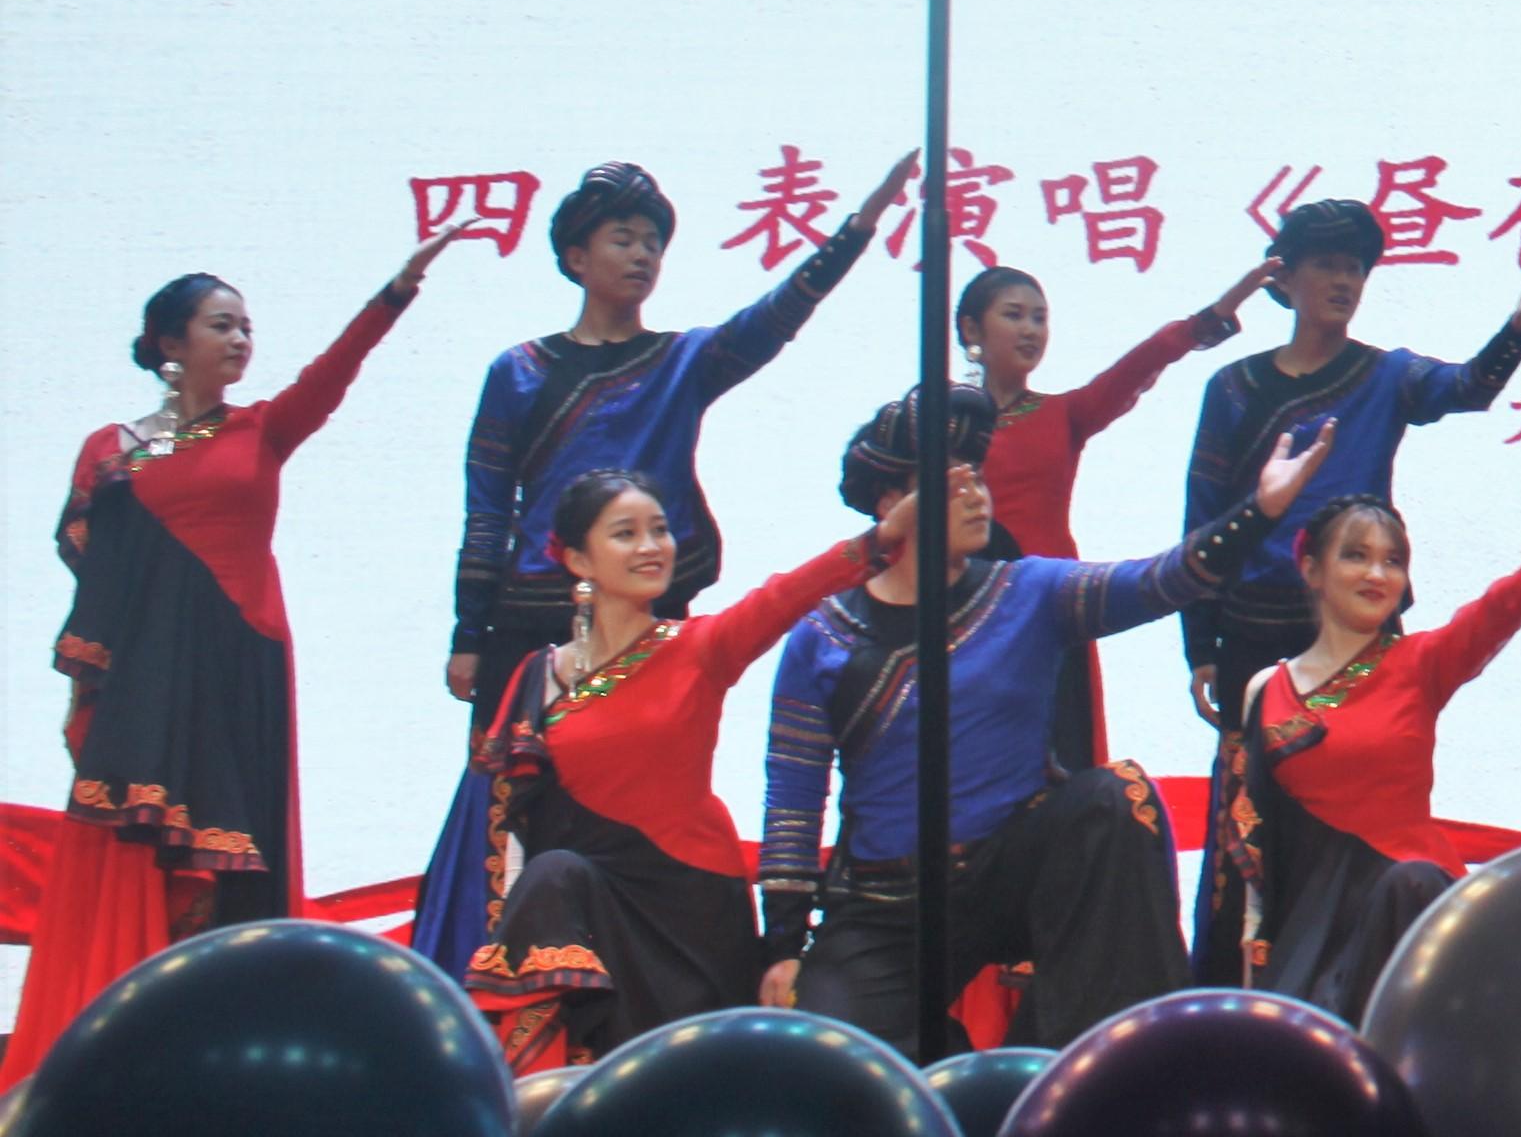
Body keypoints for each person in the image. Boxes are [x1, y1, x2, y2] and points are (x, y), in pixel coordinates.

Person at [8, 232, 466, 1084]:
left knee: (235, 861)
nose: (241, 339)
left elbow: (336, 369)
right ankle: (118, 1061)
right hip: (149, 675)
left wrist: (398, 288)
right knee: (139, 852)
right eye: (222, 325)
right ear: (169, 343)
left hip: (239, 664)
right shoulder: (112, 448)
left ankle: (225, 1059)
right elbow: (92, 566)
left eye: (248, 327)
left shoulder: (262, 429)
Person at [755, 389, 1326, 1051]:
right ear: (890, 504)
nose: (978, 494)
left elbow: (1162, 581)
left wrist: (1259, 512)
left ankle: (1098, 1067)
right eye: (953, 481)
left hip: (1015, 869)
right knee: (825, 1055)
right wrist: (784, 944)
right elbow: (793, 801)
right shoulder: (824, 638)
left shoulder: (1028, 590)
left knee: (1114, 800)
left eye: (978, 476)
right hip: (886, 903)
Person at [456, 470, 917, 1068]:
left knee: (696, 1081)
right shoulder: (538, 675)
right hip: (587, 911)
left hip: (690, 909)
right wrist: (508, 940)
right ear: (578, 560)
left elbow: (782, 598)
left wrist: (879, 540)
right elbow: (513, 823)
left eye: (661, 530)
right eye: (626, 533)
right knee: (553, 876)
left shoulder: (698, 648)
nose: (651, 547)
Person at [447, 155, 914, 739]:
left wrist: (857, 230)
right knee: (512, 785)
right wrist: (470, 635)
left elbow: (774, 317)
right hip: (532, 620)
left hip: (645, 617)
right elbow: (487, 511)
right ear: (577, 257)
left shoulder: (681, 363)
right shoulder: (517, 372)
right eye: (623, 240)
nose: (642, 255)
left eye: (653, 243)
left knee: (634, 778)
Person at [1213, 473, 1521, 1014]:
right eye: (1356, 556)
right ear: (1311, 569)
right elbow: (1255, 844)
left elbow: (1508, 599)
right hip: (1309, 931)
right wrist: (1254, 950)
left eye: (1393, 561)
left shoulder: (1420, 663)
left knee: (1409, 886)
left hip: (1410, 909)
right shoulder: (1267, 690)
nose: (1376, 574)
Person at [1179, 195, 1521, 757]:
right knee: (1250, 794)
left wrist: (1518, 325)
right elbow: (1203, 515)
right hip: (1251, 628)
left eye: (1354, 268)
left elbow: (1470, 387)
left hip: (1358, 624)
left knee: (1364, 777)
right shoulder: (1233, 387)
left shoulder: (1387, 374)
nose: (1343, 281)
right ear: (1285, 277)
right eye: (1326, 265)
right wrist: (1199, 644)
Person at [964, 259, 1265, 761]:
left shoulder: (1062, 414)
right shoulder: (934, 420)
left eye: (1039, 318)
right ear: (971, 329)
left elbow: (1135, 371)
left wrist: (1207, 321)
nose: (1030, 330)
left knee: (1064, 751)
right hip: (966, 610)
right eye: (1014, 315)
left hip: (1053, 606)